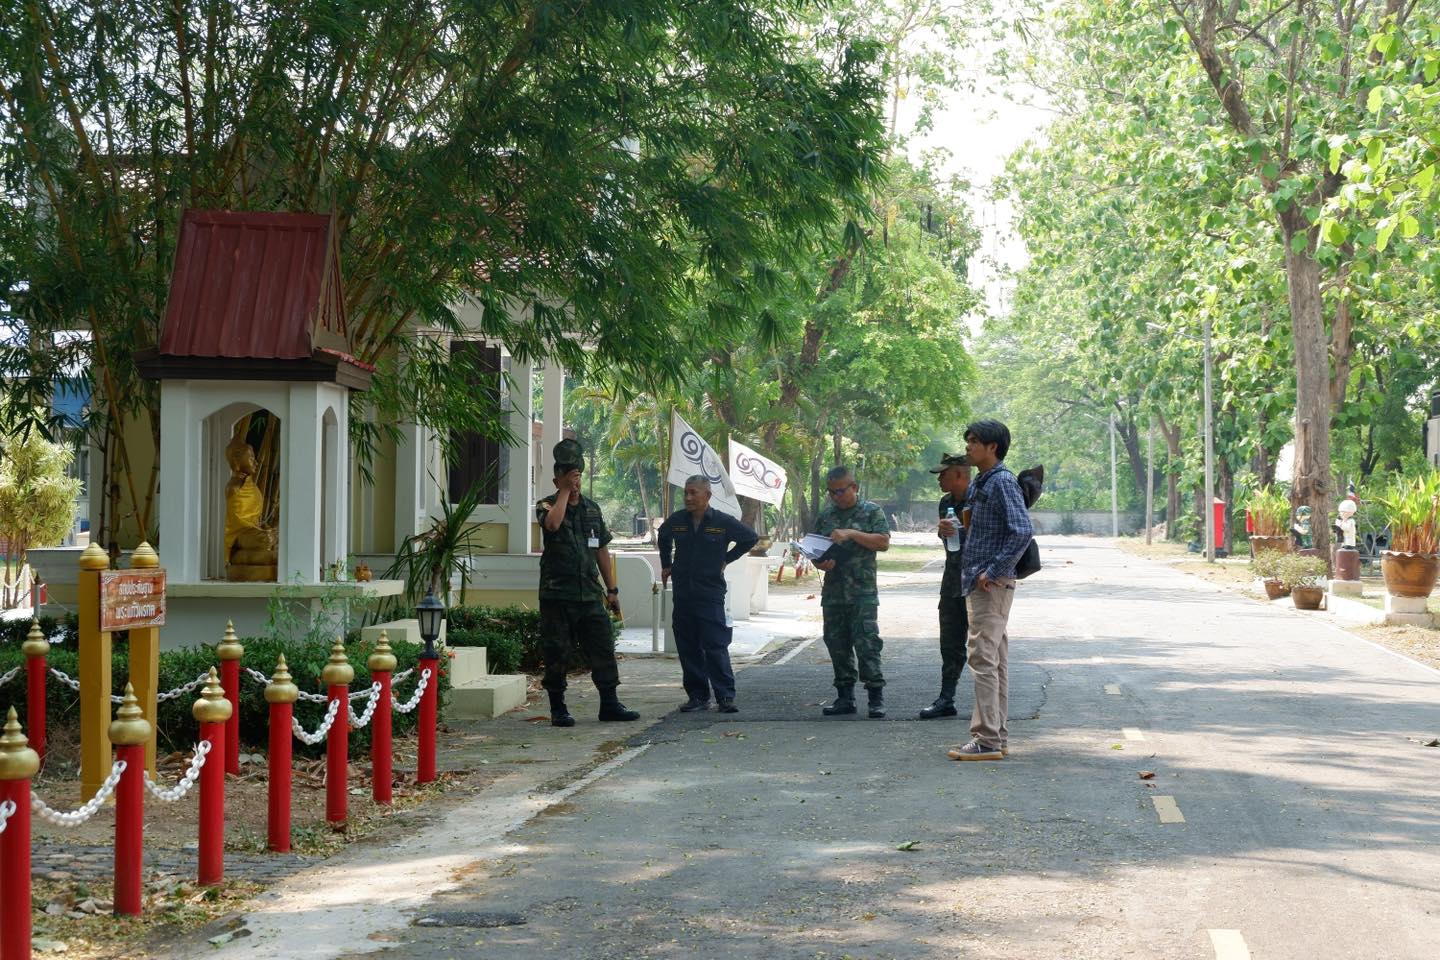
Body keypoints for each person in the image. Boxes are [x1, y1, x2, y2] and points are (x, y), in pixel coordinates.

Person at [536, 438, 639, 727]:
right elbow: (553, 524)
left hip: (590, 594)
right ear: (557, 480)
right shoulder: (546, 505)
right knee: (557, 652)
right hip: (558, 595)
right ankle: (558, 708)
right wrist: (564, 492)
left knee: (602, 648)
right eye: (570, 477)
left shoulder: (592, 509)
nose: (575, 481)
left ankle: (610, 704)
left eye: (578, 476)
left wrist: (612, 589)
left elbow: (601, 550)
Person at [948, 419, 1033, 761]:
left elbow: (1021, 531)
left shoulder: (1001, 482)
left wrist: (993, 571)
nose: (967, 446)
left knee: (982, 658)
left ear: (992, 447)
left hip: (991, 584)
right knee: (993, 660)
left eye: (973, 441)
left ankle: (986, 739)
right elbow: (980, 533)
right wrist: (953, 532)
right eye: (967, 440)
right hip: (979, 581)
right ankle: (996, 735)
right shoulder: (981, 482)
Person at [658, 476, 759, 713]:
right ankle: (697, 696)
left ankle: (725, 696)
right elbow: (663, 536)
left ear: (708, 496)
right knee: (688, 646)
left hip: (709, 593)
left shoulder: (722, 521)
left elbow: (750, 538)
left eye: (693, 493)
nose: (688, 498)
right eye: (686, 492)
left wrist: (727, 559)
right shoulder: (678, 520)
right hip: (683, 593)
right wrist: (666, 564)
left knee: (715, 645)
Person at [814, 465, 891, 718]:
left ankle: (875, 697)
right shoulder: (826, 516)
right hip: (834, 592)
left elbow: (883, 542)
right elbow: (815, 548)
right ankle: (844, 697)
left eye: (840, 491)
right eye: (831, 492)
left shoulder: (871, 511)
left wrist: (852, 533)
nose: (836, 496)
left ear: (854, 487)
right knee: (837, 644)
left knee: (867, 643)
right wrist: (820, 563)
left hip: (862, 592)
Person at [920, 452, 971, 720]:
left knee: (986, 647)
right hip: (952, 582)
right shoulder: (946, 503)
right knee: (950, 643)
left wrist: (960, 532)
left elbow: (987, 537)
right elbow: (950, 543)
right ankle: (946, 698)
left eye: (943, 474)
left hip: (978, 582)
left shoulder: (980, 499)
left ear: (959, 474)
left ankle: (993, 704)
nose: (939, 479)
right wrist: (944, 532)